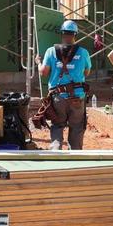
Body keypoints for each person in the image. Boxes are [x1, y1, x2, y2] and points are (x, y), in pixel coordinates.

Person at [36, 20, 92, 149]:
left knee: (57, 125)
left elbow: (43, 72)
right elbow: (87, 72)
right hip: (77, 96)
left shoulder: (51, 51)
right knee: (77, 127)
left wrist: (38, 62)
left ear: (62, 34)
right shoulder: (83, 52)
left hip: (58, 97)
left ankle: (56, 153)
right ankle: (75, 156)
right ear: (75, 34)